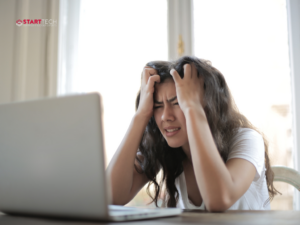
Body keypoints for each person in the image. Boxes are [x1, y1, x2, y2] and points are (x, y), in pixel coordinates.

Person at [106, 56, 279, 211]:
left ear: (207, 105)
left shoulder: (247, 139)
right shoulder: (165, 149)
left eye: (178, 102)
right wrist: (141, 115)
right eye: (157, 106)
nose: (166, 116)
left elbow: (219, 200)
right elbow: (111, 196)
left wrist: (192, 108)